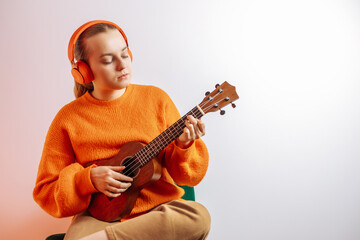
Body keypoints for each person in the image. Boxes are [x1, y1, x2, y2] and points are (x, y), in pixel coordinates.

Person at [33, 20, 211, 240]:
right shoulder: (67, 118)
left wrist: (184, 146)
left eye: (125, 55)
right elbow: (46, 192)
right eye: (108, 60)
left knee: (198, 216)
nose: (122, 65)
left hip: (157, 212)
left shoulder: (157, 99)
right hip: (98, 218)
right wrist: (87, 179)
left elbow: (189, 177)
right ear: (84, 71)